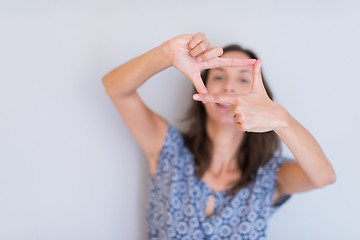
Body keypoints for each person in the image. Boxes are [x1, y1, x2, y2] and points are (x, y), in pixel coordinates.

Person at [102, 32, 336, 239]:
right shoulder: (169, 150)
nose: (229, 88)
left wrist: (282, 120)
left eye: (243, 79)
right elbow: (115, 88)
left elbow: (323, 177)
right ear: (201, 87)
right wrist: (167, 53)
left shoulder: (270, 176)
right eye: (219, 76)